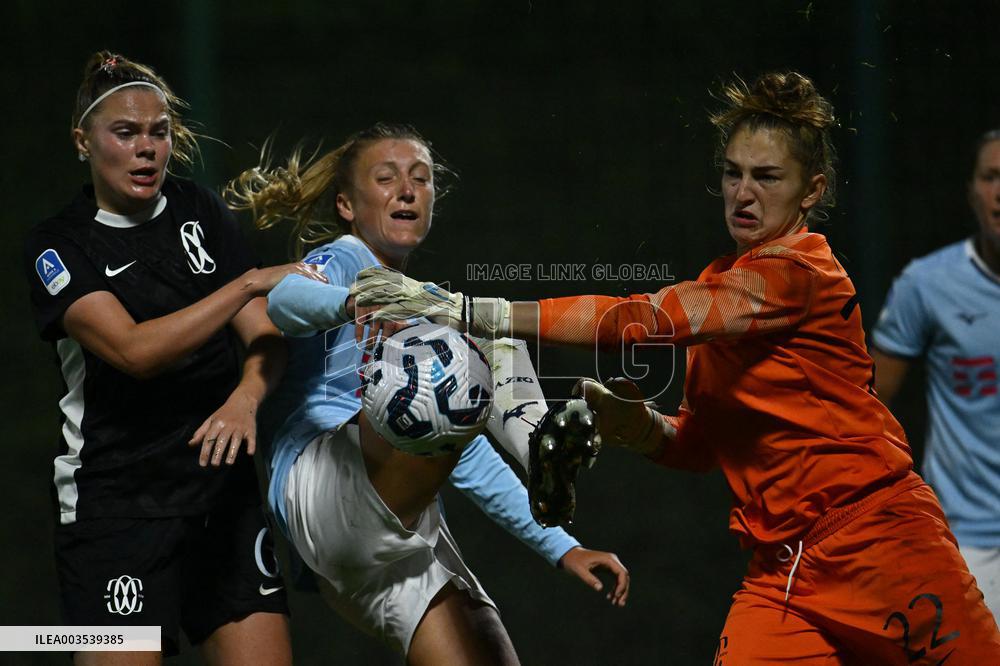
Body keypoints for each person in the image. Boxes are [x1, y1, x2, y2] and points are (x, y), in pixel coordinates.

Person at [352, 73, 1000, 662]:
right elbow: (700, 443)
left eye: (767, 177)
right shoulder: (724, 287)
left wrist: (466, 309)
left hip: (878, 542)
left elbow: (635, 320)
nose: (743, 193)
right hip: (781, 575)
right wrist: (632, 424)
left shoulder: (798, 274)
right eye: (733, 172)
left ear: (813, 190)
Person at [225, 122, 629, 665]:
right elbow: (286, 299)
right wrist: (351, 302)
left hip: (387, 529)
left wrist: (561, 546)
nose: (408, 190)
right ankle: (536, 438)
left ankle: (537, 444)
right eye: (386, 178)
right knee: (469, 342)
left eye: (421, 178)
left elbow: (468, 457)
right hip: (323, 484)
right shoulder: (347, 260)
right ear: (346, 204)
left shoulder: (426, 306)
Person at [23, 52, 324, 665]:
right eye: (125, 133)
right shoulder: (58, 244)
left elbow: (264, 340)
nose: (147, 149)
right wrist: (244, 283)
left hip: (223, 502)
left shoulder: (200, 210)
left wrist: (245, 401)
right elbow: (135, 351)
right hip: (117, 511)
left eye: (159, 133)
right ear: (83, 141)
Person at [871, 129, 1000, 618]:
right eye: (992, 177)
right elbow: (867, 408)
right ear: (972, 191)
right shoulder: (927, 285)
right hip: (965, 548)